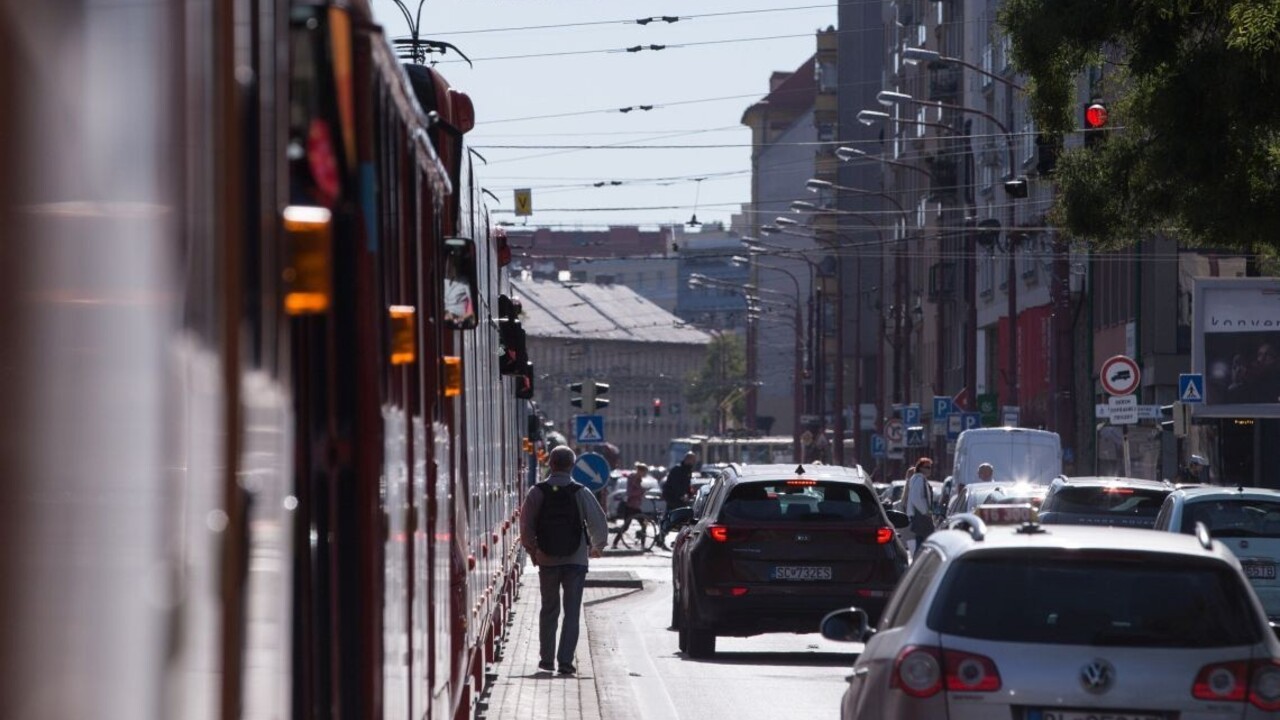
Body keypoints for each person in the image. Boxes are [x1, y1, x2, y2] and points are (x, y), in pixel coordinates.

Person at [519, 445, 608, 676]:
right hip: (576, 561)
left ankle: (546, 660)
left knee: (549, 609)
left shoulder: (536, 492)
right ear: (572, 465)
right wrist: (597, 547)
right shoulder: (581, 491)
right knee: (572, 612)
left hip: (547, 560)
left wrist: (533, 550)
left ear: (551, 463)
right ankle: (566, 661)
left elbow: (526, 526)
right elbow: (599, 522)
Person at [657, 452, 698, 549]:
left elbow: (686, 485)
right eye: (692, 460)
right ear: (687, 459)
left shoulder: (687, 470)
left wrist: (690, 493)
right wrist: (681, 495)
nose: (694, 462)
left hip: (678, 498)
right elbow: (675, 485)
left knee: (678, 518)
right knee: (674, 518)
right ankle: (663, 538)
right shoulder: (677, 469)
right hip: (672, 497)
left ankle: (667, 539)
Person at [611, 462, 649, 549]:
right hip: (630, 506)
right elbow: (630, 492)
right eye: (644, 472)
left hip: (636, 507)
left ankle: (643, 545)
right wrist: (641, 491)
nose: (645, 474)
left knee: (644, 524)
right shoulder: (632, 478)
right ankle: (614, 543)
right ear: (640, 471)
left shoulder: (639, 479)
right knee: (625, 527)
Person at [905, 457, 936, 558]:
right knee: (927, 537)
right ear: (920, 468)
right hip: (921, 515)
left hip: (920, 515)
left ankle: (918, 560)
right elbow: (916, 498)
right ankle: (919, 560)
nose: (929, 470)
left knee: (921, 538)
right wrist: (925, 511)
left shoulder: (920, 479)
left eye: (930, 467)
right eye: (926, 467)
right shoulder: (919, 479)